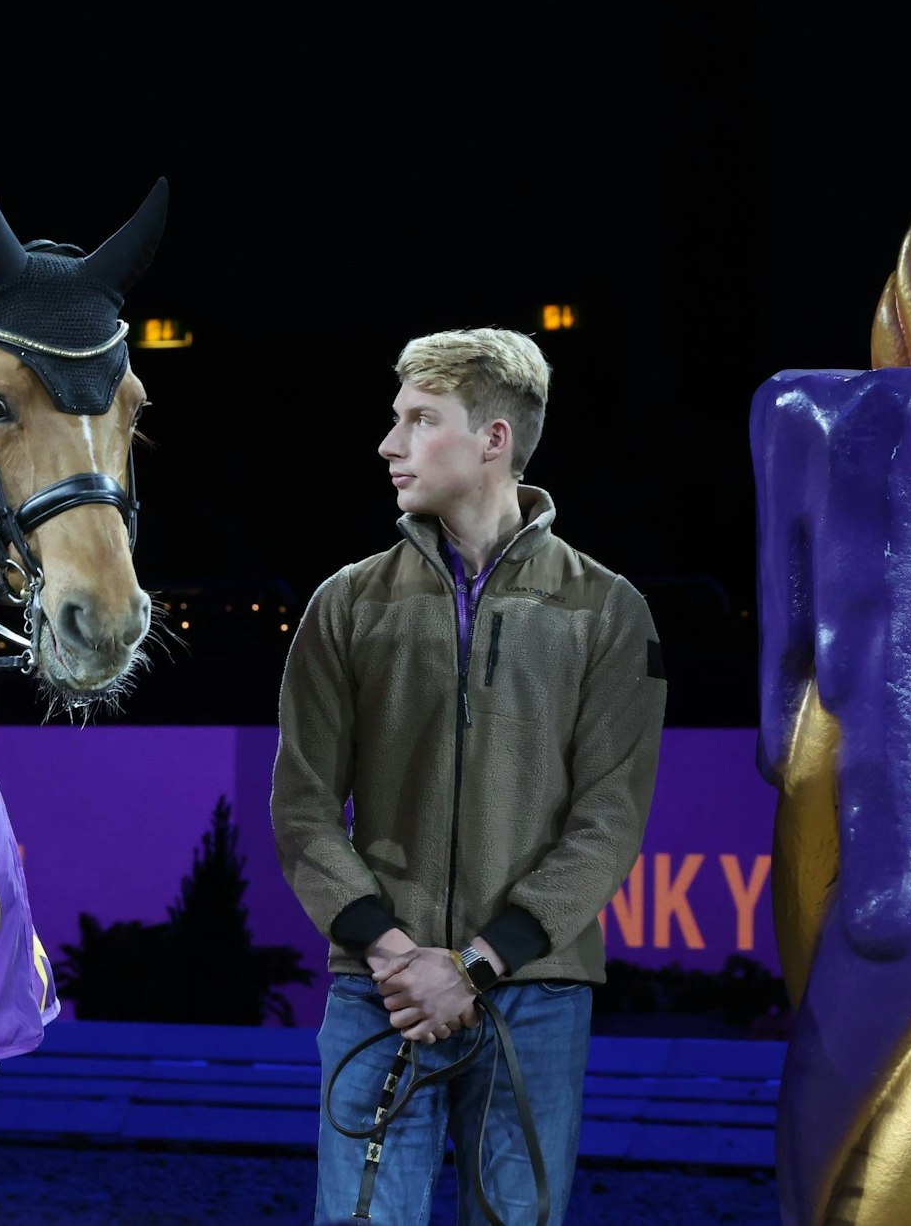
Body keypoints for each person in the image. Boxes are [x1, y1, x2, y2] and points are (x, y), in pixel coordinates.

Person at [269, 327, 667, 1223]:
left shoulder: (605, 611)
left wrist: (479, 966)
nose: (389, 443)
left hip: (534, 993)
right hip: (383, 992)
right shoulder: (346, 605)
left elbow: (609, 823)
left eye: (420, 419)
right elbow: (301, 807)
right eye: (395, 418)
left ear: (494, 439)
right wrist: (395, 954)